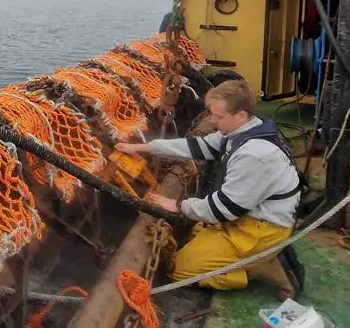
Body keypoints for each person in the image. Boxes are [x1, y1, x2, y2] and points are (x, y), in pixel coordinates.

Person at [115, 79, 306, 301]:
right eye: (212, 114)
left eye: (218, 116)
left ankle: (262, 268)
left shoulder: (254, 154)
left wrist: (177, 205)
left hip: (261, 229)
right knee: (195, 233)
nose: (213, 121)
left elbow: (224, 210)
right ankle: (255, 258)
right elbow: (197, 146)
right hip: (248, 217)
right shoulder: (241, 131)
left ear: (241, 115)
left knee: (178, 270)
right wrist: (144, 147)